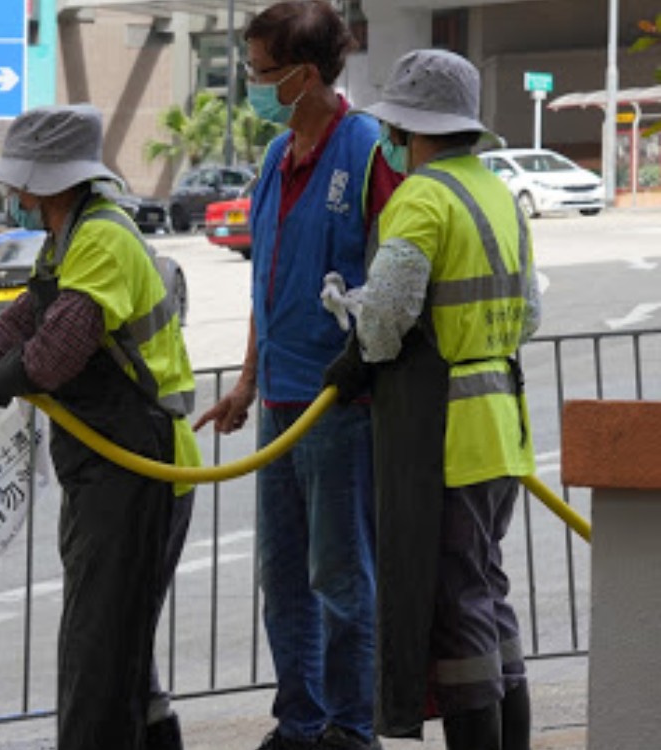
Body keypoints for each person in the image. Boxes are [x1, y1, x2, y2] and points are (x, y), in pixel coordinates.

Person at [0, 104, 203, 750]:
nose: (12, 195)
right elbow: (10, 331)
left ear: (50, 182)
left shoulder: (104, 239)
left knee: (99, 654)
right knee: (118, 653)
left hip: (142, 464)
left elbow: (53, 353)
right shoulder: (66, 242)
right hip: (104, 466)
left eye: (19, 183)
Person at [191, 3, 402, 749]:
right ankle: (300, 720)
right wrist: (248, 379)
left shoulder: (369, 150)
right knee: (283, 581)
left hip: (341, 405)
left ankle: (351, 725)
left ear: (305, 75)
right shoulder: (276, 160)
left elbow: (397, 279)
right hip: (281, 401)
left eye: (260, 72)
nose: (251, 85)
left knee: (342, 579)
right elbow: (267, 287)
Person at [322, 48, 540, 750]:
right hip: (503, 426)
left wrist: (357, 358)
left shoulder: (422, 196)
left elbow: (385, 314)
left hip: (447, 435)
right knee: (485, 595)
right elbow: (529, 313)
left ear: (409, 130)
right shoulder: (498, 192)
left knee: (456, 610)